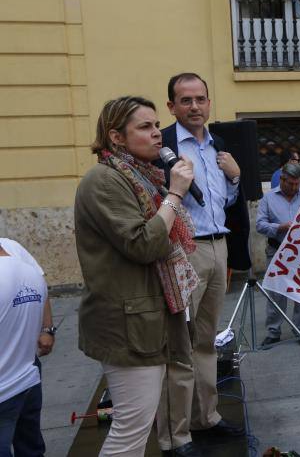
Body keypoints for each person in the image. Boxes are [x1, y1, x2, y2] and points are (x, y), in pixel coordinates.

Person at [74, 96, 194, 456]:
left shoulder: (143, 176)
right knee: (130, 428)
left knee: (137, 425)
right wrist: (174, 194)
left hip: (145, 319)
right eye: (145, 127)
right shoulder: (104, 180)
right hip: (127, 325)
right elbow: (143, 244)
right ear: (116, 137)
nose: (158, 134)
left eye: (157, 125)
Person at [156, 73, 245, 454]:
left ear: (209, 103)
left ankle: (205, 417)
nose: (195, 107)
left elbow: (223, 202)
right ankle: (175, 435)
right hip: (182, 249)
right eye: (186, 100)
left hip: (216, 245)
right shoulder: (164, 145)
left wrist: (236, 177)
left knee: (206, 340)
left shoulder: (218, 146)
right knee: (179, 344)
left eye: (201, 99)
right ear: (172, 106)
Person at [0, 239, 48, 456]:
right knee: (31, 448)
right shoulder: (28, 272)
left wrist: (48, 329)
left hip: (6, 388)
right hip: (26, 375)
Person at [256, 162, 300, 347]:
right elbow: (260, 225)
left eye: (297, 184)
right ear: (282, 179)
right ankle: (274, 331)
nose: (294, 188)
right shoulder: (268, 198)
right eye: (290, 184)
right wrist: (280, 227)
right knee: (276, 293)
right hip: (277, 249)